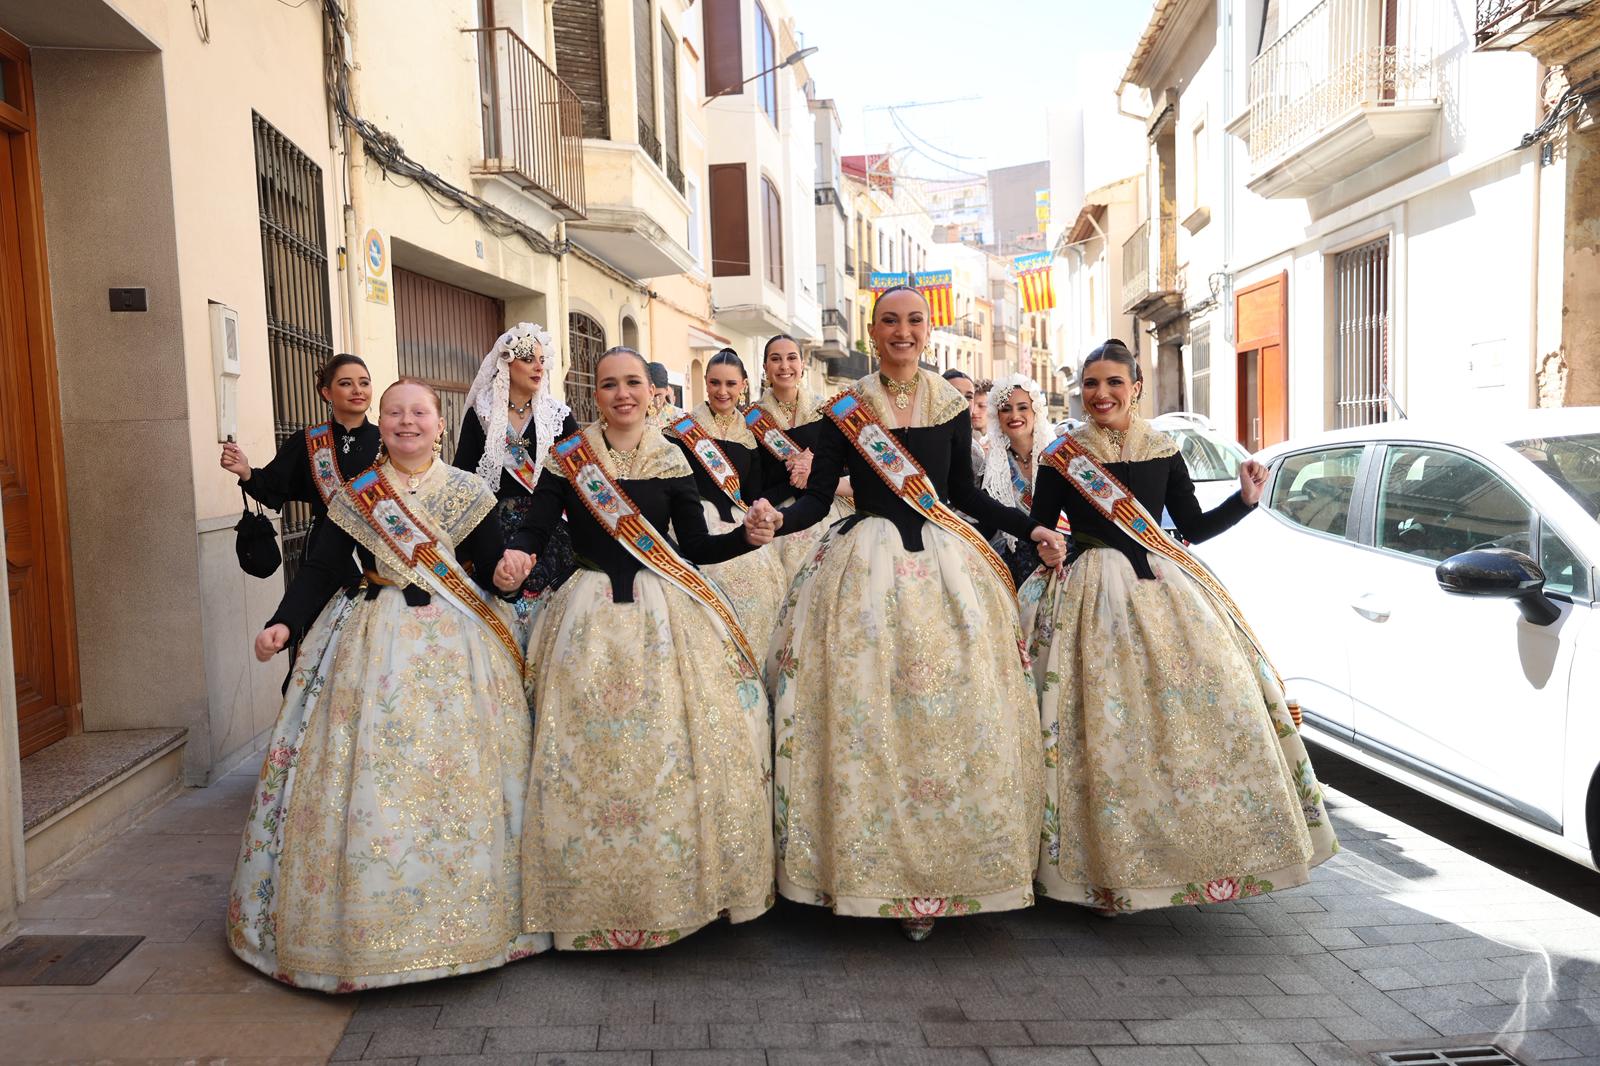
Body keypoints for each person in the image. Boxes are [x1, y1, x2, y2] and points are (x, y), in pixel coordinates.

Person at [766, 286, 1067, 941]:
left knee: (947, 713)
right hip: (861, 572)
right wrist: (776, 522)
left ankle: (945, 866)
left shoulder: (952, 405)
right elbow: (818, 498)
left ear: (928, 331)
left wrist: (1032, 526)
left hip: (942, 569)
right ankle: (867, 864)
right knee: (862, 712)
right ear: (873, 332)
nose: (902, 331)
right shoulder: (844, 408)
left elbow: (962, 494)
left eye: (914, 321)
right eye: (890, 321)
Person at [228, 379, 545, 991]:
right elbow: (321, 568)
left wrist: (508, 577)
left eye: (419, 412)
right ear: (382, 422)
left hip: (458, 644)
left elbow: (489, 567)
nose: (407, 422)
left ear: (440, 424)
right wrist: (284, 623)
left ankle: (471, 922)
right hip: (371, 641)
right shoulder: (357, 496)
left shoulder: (467, 491)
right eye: (395, 412)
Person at [1020, 339, 1337, 914]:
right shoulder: (1061, 456)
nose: (1101, 394)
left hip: (1163, 589)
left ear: (1136, 387)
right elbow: (1039, 527)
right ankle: (1100, 869)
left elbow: (1190, 527)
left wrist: (1244, 499)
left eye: (1114, 382)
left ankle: (1185, 856)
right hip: (1089, 595)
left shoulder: (1164, 450)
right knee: (1100, 729)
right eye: (1091, 384)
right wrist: (1046, 547)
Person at [510, 345, 780, 950]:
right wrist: (517, 555)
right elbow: (535, 524)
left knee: (669, 749)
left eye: (633, 382)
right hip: (586, 619)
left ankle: (672, 893)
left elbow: (695, 548)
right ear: (595, 394)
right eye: (609, 384)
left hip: (664, 616)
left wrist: (747, 537)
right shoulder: (569, 458)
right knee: (585, 754)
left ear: (651, 392)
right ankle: (589, 903)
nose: (623, 394)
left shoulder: (671, 457)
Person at [453, 323, 581, 639]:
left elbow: (578, 475)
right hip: (493, 524)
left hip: (548, 523)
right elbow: (465, 475)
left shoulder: (558, 416)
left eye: (542, 360)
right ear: (506, 363)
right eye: (528, 359)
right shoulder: (482, 414)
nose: (538, 367)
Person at [666, 349, 788, 646]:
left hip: (738, 523)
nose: (722, 391)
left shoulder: (750, 434)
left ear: (743, 385)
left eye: (731, 384)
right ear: (705, 383)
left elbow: (753, 494)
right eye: (715, 383)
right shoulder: (679, 432)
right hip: (695, 526)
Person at [219, 353, 380, 570]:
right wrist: (245, 471)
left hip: (380, 554)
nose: (358, 390)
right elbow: (273, 486)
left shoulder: (388, 442)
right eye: (345, 383)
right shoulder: (308, 442)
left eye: (364, 383)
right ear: (327, 392)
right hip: (324, 554)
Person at [749, 335, 856, 580]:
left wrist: (814, 467)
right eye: (775, 359)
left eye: (791, 358)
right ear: (765, 367)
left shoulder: (827, 410)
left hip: (829, 506)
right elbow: (755, 481)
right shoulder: (751, 420)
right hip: (779, 515)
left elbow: (849, 466)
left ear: (803, 364)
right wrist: (796, 471)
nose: (784, 366)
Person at [980, 374, 1055, 588]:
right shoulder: (989, 465)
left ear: (1035, 411)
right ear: (997, 416)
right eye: (1006, 409)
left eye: (1022, 407)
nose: (1014, 415)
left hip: (1057, 557)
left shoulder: (1057, 456)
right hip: (1009, 567)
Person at [942, 368, 987, 473]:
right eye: (954, 394)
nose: (962, 401)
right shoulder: (923, 438)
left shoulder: (976, 451)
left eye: (969, 396)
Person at [645, 360, 686, 429]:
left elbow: (692, 435)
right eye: (649, 395)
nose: (653, 400)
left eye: (657, 395)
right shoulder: (635, 414)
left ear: (667, 390)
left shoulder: (680, 417)